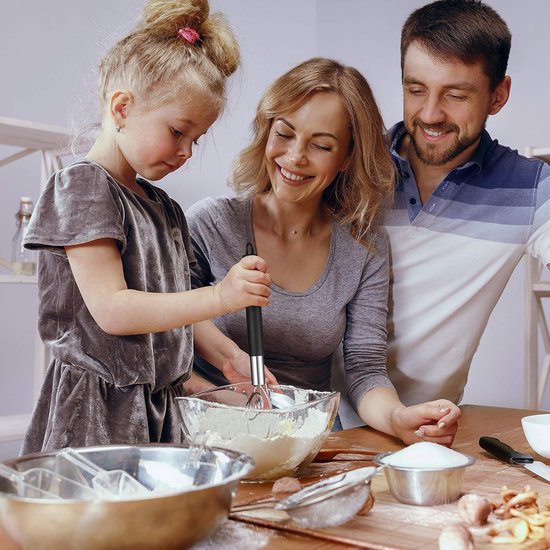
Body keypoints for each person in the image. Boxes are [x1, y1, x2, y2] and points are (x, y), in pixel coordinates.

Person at [20, 0, 273, 454]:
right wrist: (220, 296)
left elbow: (170, 311)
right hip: (97, 416)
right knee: (103, 524)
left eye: (195, 139)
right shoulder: (82, 189)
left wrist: (227, 355)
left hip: (160, 410)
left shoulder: (166, 209)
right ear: (121, 107)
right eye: (178, 131)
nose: (186, 152)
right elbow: (114, 311)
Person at [186, 57, 461, 446]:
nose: (295, 156)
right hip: (211, 432)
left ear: (347, 157)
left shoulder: (362, 246)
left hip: (307, 441)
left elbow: (364, 367)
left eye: (321, 145)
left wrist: (398, 418)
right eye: (284, 133)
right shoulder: (210, 224)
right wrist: (217, 399)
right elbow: (165, 333)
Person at [383, 0, 550, 406]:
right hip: (312, 420)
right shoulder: (353, 168)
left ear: (498, 95)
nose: (429, 114)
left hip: (424, 434)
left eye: (455, 95)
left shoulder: (529, 190)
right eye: (415, 89)